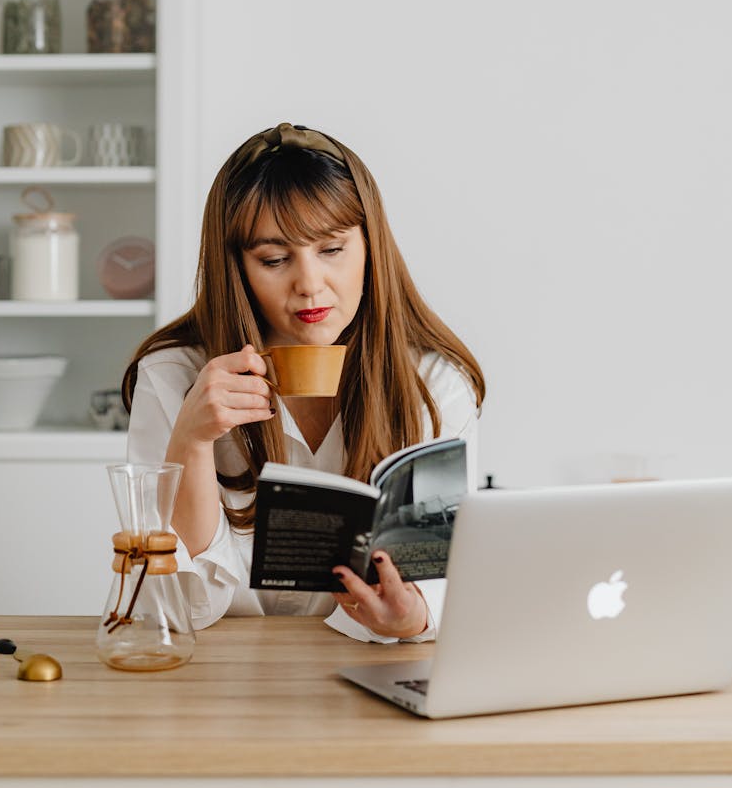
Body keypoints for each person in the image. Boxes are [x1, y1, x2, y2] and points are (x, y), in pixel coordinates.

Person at [123, 121, 485, 643]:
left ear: (370, 247)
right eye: (273, 259)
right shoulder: (175, 376)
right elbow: (177, 609)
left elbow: (445, 584)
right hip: (213, 681)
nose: (310, 284)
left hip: (365, 672)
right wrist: (193, 442)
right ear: (237, 269)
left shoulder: (432, 383)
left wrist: (412, 617)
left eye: (332, 250)